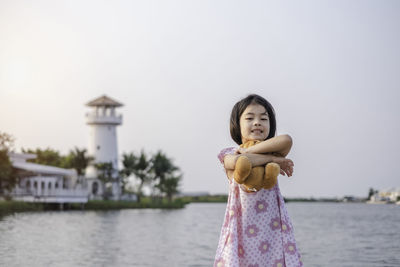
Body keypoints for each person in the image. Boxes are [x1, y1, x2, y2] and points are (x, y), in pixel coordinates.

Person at [214, 94, 302, 267]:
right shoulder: (231, 152)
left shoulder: (274, 150)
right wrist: (274, 160)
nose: (257, 122)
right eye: (249, 118)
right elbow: (238, 162)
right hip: (240, 232)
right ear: (237, 125)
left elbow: (287, 140)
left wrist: (253, 154)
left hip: (273, 232)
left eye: (263, 118)